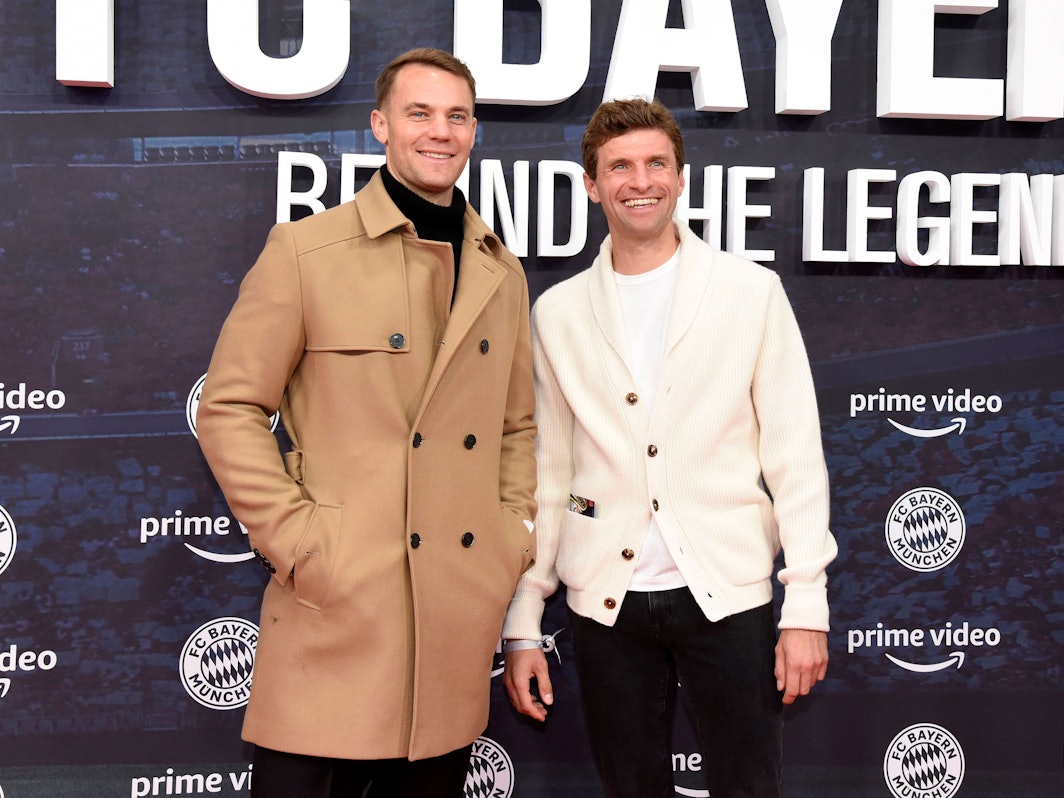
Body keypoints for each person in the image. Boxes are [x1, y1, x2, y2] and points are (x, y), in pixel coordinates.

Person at [196, 48, 537, 798]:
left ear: (475, 130)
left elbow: (516, 428)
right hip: (338, 613)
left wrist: (509, 538)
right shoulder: (306, 252)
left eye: (455, 116)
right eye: (419, 113)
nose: (438, 132)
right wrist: (301, 542)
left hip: (452, 620)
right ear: (381, 125)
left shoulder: (500, 270)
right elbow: (229, 406)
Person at [502, 98, 837, 798]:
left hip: (731, 596)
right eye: (618, 167)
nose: (639, 180)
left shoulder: (751, 292)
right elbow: (553, 475)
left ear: (681, 177)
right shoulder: (558, 313)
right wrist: (526, 613)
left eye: (656, 163)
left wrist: (805, 605)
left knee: (749, 787)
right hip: (605, 607)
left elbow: (794, 455)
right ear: (592, 185)